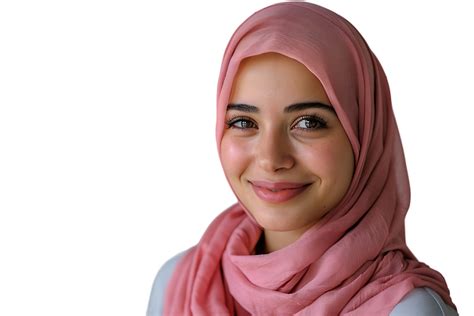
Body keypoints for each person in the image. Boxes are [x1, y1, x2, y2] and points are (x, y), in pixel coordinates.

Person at [147, 2, 458, 315]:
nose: (271, 158)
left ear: (364, 134)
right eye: (244, 122)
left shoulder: (407, 310)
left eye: (308, 123)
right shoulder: (179, 283)